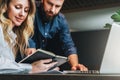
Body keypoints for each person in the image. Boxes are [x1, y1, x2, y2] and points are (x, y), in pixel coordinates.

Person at [0, 0, 58, 74]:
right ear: (5, 6)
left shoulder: (12, 36)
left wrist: (44, 68)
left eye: (26, 10)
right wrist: (31, 68)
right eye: (17, 7)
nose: (22, 14)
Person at [29, 0, 88, 71]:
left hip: (37, 66)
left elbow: (68, 45)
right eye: (50, 4)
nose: (52, 10)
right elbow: (25, 33)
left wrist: (75, 65)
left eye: (57, 6)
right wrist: (30, 46)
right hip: (18, 63)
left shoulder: (61, 20)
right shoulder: (30, 8)